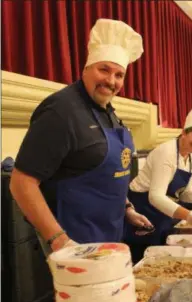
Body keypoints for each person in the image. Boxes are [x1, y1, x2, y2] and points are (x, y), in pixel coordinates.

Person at [9, 19, 152, 254]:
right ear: (86, 68)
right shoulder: (60, 111)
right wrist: (59, 239)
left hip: (110, 235)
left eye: (119, 75)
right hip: (73, 242)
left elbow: (108, 176)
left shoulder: (110, 113)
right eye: (104, 69)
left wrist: (127, 208)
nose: (111, 81)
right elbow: (21, 182)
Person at [125, 98, 192, 263]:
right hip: (143, 208)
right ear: (184, 132)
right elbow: (156, 197)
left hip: (163, 212)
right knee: (144, 259)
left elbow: (184, 195)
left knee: (163, 258)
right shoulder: (167, 152)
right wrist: (189, 216)